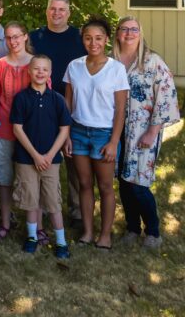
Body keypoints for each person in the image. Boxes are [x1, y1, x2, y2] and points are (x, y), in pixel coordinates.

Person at [112, 16, 180, 249]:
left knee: (139, 183)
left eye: (134, 30)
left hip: (143, 132)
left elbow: (166, 98)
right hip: (115, 130)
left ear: (140, 34)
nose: (129, 34)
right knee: (123, 181)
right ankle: (132, 227)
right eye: (124, 29)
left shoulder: (153, 62)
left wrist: (153, 131)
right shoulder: (111, 61)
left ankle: (153, 231)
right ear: (117, 33)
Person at [63, 16, 129, 250]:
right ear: (83, 40)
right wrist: (67, 136)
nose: (93, 43)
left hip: (104, 134)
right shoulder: (74, 66)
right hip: (79, 132)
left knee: (105, 186)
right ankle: (88, 232)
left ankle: (105, 235)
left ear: (107, 40)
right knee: (83, 183)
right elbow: (68, 105)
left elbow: (121, 110)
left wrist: (113, 141)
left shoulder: (116, 69)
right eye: (88, 38)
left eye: (98, 38)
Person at [30, 0, 86, 228]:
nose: (57, 13)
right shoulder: (35, 37)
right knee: (42, 156)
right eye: (53, 9)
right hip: (42, 104)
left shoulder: (79, 38)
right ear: (47, 11)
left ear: (69, 13)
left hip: (74, 104)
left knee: (74, 160)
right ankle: (41, 207)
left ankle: (77, 210)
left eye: (62, 10)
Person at [11, 55, 72, 258]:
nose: (40, 72)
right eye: (36, 69)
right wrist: (36, 156)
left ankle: (61, 242)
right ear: (29, 71)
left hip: (51, 161)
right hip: (27, 159)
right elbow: (17, 129)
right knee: (30, 200)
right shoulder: (21, 98)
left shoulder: (57, 100)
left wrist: (49, 155)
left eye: (44, 69)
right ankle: (31, 237)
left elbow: (64, 129)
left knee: (53, 201)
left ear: (50, 73)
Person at [0, 22, 34, 241]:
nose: (13, 41)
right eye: (8, 37)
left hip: (32, 133)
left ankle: (34, 226)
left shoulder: (37, 65)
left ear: (25, 37)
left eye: (17, 36)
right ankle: (6, 222)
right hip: (5, 130)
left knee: (30, 180)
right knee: (5, 178)